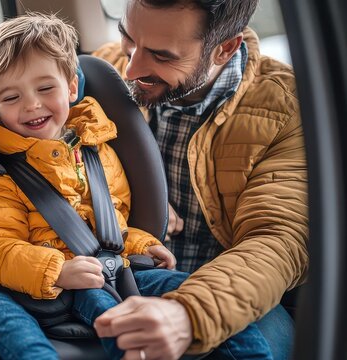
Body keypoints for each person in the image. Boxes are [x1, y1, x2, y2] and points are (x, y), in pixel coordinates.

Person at [0, 13, 272, 360]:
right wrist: (58, 270)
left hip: (114, 272)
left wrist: (143, 243)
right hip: (37, 288)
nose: (31, 104)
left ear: (71, 87)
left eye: (45, 88)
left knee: (212, 302)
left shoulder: (98, 152)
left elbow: (114, 221)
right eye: (11, 98)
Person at [92, 1, 308, 359]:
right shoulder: (103, 68)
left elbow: (278, 239)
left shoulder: (286, 109)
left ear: (224, 49)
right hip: (117, 271)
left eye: (162, 56)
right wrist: (135, 188)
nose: (131, 68)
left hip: (227, 291)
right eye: (128, 37)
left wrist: (189, 313)